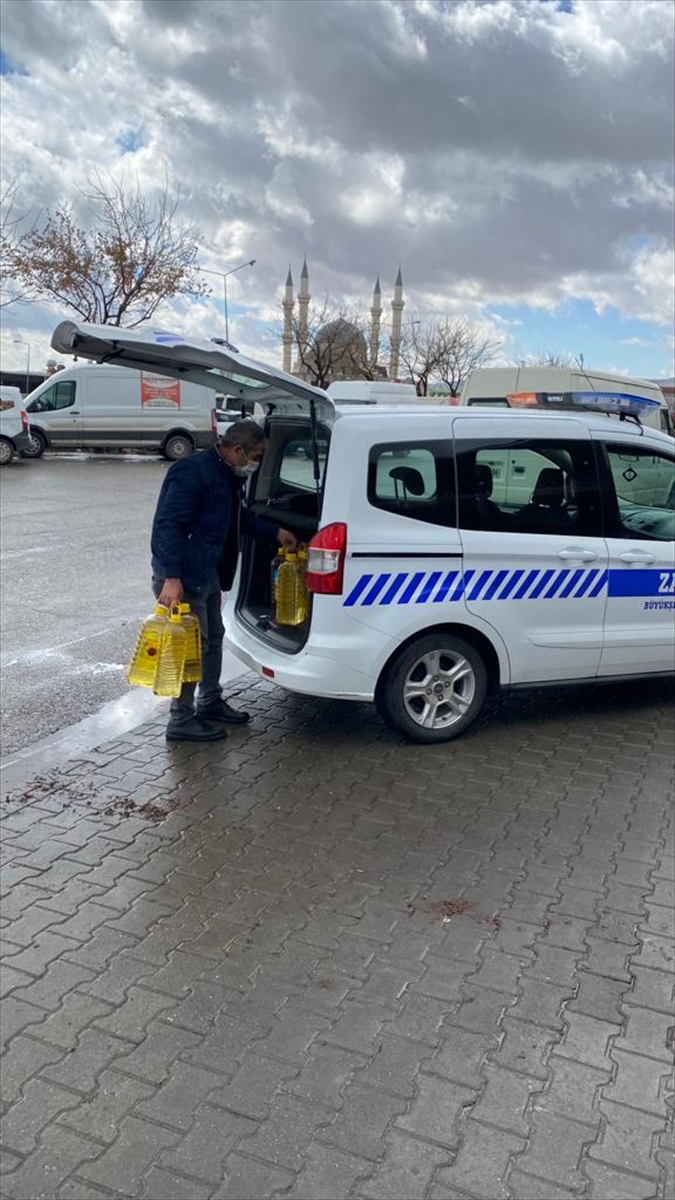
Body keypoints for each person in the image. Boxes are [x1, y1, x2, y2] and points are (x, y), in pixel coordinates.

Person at [151, 419, 297, 742]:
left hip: (207, 571)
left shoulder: (227, 475)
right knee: (191, 648)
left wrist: (275, 532)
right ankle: (180, 720)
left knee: (213, 638)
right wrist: (171, 577)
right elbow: (168, 526)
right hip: (184, 576)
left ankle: (210, 701)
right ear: (238, 450)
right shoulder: (193, 473)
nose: (257, 463)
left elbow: (235, 518)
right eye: (256, 455)